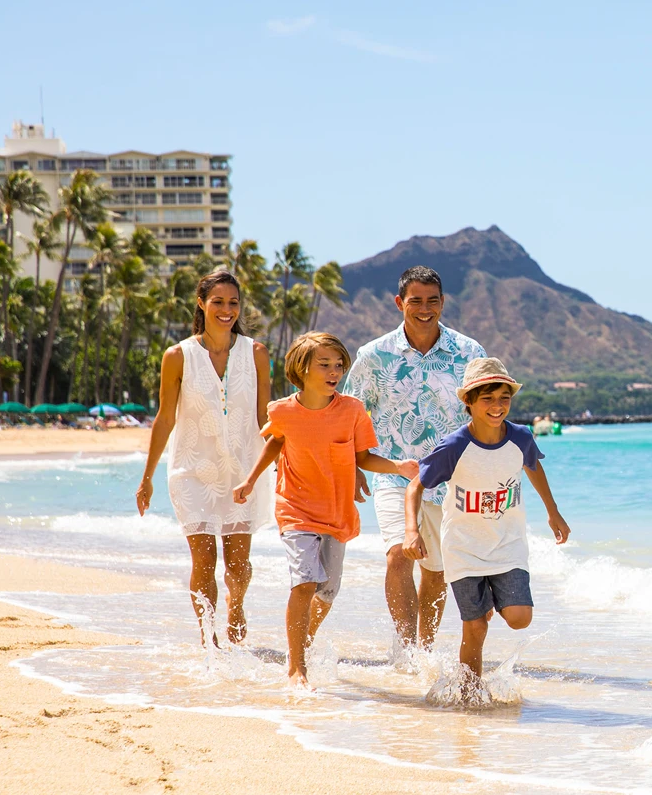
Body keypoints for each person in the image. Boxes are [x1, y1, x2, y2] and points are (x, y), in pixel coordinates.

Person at [231, 332, 418, 687]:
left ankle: (303, 638)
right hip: (295, 508)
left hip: (336, 511)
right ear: (301, 368)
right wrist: (251, 480)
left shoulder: (351, 410)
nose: (335, 371)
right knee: (305, 581)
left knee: (327, 591)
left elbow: (362, 457)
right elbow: (275, 443)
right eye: (325, 364)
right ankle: (296, 666)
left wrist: (397, 467)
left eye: (339, 365)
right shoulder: (282, 410)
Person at [342, 265, 486, 656]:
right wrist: (354, 467)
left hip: (450, 477)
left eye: (433, 301)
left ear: (443, 302)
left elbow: (484, 414)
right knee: (398, 554)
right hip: (393, 472)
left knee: (435, 570)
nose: (425, 309)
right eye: (416, 301)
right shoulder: (374, 355)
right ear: (399, 303)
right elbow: (353, 413)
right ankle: (407, 651)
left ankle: (424, 650)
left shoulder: (469, 352)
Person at [403, 357, 570, 682]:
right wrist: (412, 530)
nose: (497, 406)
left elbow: (533, 467)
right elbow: (415, 486)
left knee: (520, 617)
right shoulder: (455, 446)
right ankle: (470, 692)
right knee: (476, 626)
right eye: (487, 399)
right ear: (468, 401)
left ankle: (490, 598)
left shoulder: (521, 437)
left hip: (507, 545)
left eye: (504, 398)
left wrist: (553, 511)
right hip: (464, 549)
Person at [136, 269, 273, 645]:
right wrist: (147, 477)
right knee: (204, 560)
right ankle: (208, 637)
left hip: (243, 471)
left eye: (233, 303)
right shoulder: (178, 356)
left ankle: (237, 604)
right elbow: (165, 418)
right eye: (218, 302)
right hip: (192, 470)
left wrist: (286, 455)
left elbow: (264, 419)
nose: (226, 310)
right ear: (201, 303)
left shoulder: (256, 354)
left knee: (239, 567)